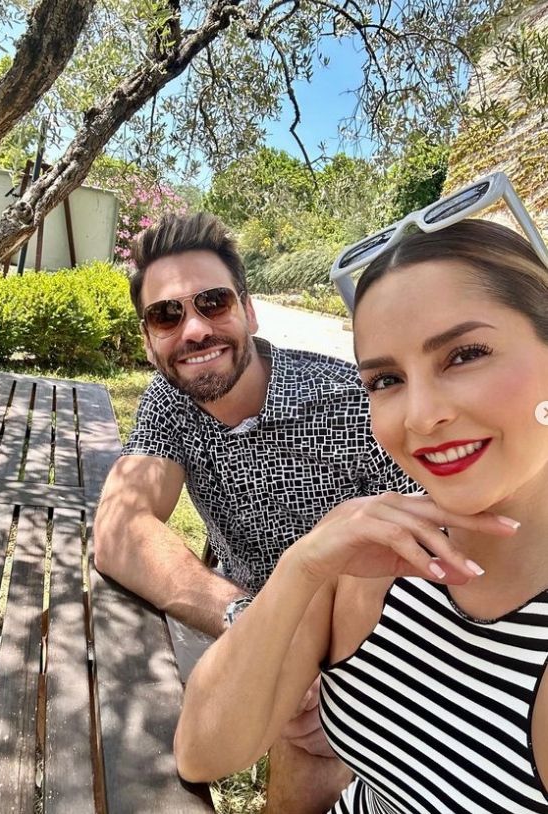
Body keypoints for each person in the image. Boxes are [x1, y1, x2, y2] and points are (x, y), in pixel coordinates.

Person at [174, 214, 548, 814]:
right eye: (386, 379)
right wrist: (301, 567)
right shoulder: (368, 555)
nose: (420, 415)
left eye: (464, 355)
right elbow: (202, 753)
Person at [94, 211, 416, 814]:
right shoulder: (173, 400)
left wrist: (340, 673)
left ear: (248, 310)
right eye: (166, 316)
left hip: (367, 635)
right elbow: (118, 530)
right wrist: (248, 618)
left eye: (213, 303)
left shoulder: (348, 403)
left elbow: (431, 546)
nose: (194, 330)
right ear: (147, 339)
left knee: (314, 736)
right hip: (260, 622)